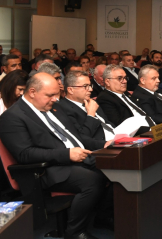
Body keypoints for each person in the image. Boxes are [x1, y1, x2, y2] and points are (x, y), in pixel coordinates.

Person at [0, 73, 113, 238]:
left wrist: (103, 144)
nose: (55, 99)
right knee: (93, 180)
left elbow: (77, 137)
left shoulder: (54, 107)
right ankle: (75, 231)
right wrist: (67, 154)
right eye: (50, 95)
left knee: (117, 168)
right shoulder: (13, 116)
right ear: (32, 92)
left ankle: (102, 217)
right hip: (48, 169)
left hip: (77, 158)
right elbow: (25, 154)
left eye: (56, 94)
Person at [57, 70, 116, 142]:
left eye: (90, 86)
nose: (91, 89)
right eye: (85, 86)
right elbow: (82, 138)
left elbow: (107, 123)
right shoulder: (63, 108)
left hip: (116, 136)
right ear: (70, 90)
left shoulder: (91, 102)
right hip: (101, 145)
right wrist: (91, 115)